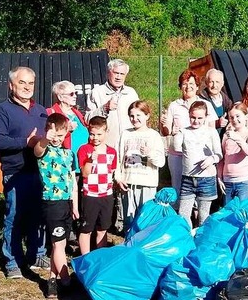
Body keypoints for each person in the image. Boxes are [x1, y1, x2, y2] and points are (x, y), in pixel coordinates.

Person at [0, 66, 49, 279]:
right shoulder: (2, 110)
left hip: (40, 172)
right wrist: (25, 142)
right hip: (16, 172)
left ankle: (37, 254)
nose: (27, 87)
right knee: (14, 217)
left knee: (38, 217)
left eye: (30, 83)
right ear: (11, 85)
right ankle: (13, 261)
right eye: (22, 83)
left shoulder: (41, 110)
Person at [34, 114, 79, 298]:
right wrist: (46, 138)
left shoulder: (68, 153)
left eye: (61, 136)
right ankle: (66, 280)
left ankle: (52, 280)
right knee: (58, 245)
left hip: (67, 203)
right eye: (55, 135)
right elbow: (38, 150)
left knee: (59, 244)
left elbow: (72, 181)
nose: (57, 140)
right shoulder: (45, 150)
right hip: (52, 203)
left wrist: (75, 206)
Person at [160, 70, 217, 194]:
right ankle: (178, 211)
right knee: (178, 188)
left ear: (197, 86)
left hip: (199, 155)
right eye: (184, 84)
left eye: (191, 83)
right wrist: (164, 126)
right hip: (177, 155)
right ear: (180, 87)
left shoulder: (206, 105)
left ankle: (196, 212)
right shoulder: (174, 106)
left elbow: (212, 130)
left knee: (199, 188)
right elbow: (166, 131)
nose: (188, 86)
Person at [115, 101, 165, 229]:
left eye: (139, 115)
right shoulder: (125, 134)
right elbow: (119, 157)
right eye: (132, 116)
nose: (135, 119)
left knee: (145, 218)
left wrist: (149, 153)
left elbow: (160, 162)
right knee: (128, 219)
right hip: (128, 182)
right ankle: (129, 243)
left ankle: (143, 245)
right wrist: (118, 177)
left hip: (147, 183)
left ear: (147, 116)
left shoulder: (153, 135)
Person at [172, 101, 222, 227]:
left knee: (203, 215)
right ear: (189, 116)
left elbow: (219, 154)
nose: (196, 121)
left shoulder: (211, 132)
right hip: (188, 179)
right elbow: (176, 148)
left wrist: (212, 159)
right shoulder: (184, 131)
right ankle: (187, 238)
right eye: (193, 117)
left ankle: (201, 240)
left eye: (200, 118)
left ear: (206, 117)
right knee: (183, 214)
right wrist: (176, 134)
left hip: (206, 179)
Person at [77, 116, 118, 254]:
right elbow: (85, 174)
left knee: (103, 229)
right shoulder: (84, 150)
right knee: (86, 229)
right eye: (92, 134)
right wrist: (89, 160)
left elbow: (111, 171)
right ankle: (86, 258)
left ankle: (100, 257)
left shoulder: (112, 152)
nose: (95, 137)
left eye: (99, 134)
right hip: (90, 195)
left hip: (106, 195)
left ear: (106, 132)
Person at [85, 59, 139, 148]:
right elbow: (88, 119)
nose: (118, 77)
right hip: (106, 145)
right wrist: (104, 108)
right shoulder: (96, 92)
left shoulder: (131, 93)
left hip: (130, 145)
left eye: (122, 74)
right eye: (116, 73)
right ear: (108, 73)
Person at [219, 103, 248, 204]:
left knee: (242, 212)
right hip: (227, 180)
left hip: (243, 181)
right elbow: (222, 158)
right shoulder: (226, 135)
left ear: (246, 117)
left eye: (238, 116)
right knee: (227, 212)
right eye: (231, 117)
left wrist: (237, 138)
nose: (234, 120)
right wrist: (219, 177)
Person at [48, 80, 89, 173]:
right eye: (71, 94)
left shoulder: (77, 113)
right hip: (67, 165)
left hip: (85, 164)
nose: (75, 96)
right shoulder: (51, 113)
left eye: (76, 93)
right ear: (60, 97)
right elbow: (50, 137)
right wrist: (67, 130)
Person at [198, 68, 232, 136]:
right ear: (206, 83)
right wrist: (217, 123)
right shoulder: (200, 101)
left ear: (222, 84)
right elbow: (197, 122)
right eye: (211, 82)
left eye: (217, 82)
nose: (214, 86)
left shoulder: (227, 101)